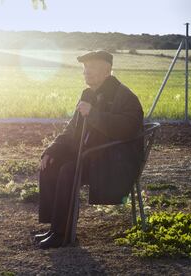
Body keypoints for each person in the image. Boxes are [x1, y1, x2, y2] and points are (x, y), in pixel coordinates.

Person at [35, 50, 144, 249]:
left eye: (91, 68)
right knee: (51, 164)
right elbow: (71, 129)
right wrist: (52, 150)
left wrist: (93, 113)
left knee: (69, 170)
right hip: (92, 156)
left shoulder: (124, 96)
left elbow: (126, 129)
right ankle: (55, 227)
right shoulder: (88, 94)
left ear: (107, 70)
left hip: (114, 161)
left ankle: (63, 234)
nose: (86, 72)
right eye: (85, 68)